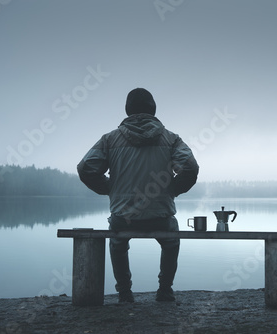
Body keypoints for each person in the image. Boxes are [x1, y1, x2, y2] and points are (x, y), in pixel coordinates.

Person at [77, 88, 199, 303]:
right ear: (153, 110)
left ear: (127, 111)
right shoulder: (171, 139)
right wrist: (172, 189)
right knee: (171, 241)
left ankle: (124, 293)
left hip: (123, 216)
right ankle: (165, 291)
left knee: (117, 242)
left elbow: (86, 168)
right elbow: (190, 168)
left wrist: (109, 188)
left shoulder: (110, 139)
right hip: (161, 215)